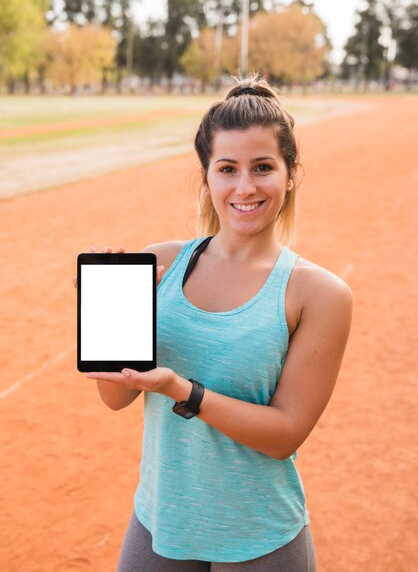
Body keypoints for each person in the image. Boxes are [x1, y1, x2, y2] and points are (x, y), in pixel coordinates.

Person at [75, 74, 353, 571]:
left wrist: (183, 390)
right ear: (206, 177)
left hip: (260, 536)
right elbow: (116, 397)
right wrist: (108, 322)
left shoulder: (320, 293)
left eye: (263, 167)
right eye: (227, 169)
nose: (245, 187)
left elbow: (284, 434)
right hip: (160, 522)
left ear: (290, 174)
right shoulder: (158, 264)